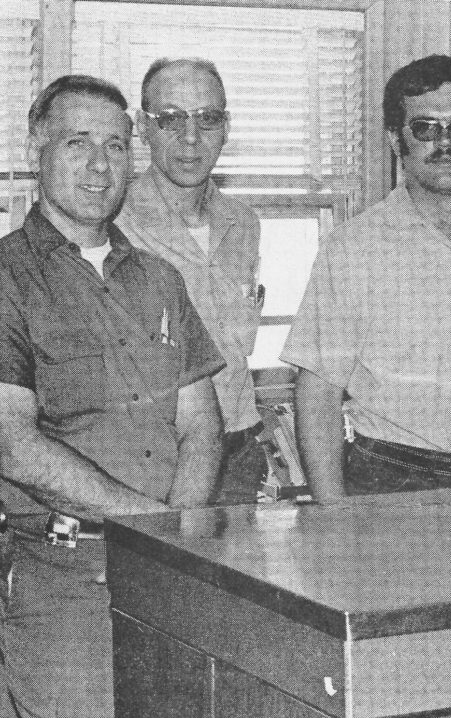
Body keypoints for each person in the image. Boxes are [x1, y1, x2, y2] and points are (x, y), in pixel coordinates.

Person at [0, 75, 224, 718]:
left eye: (116, 146)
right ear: (37, 150)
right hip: (62, 574)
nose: (100, 166)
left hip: (169, 569)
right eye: (78, 143)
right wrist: (153, 527)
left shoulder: (159, 277)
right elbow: (14, 446)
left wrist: (174, 540)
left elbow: (202, 424)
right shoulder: (7, 277)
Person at [281, 55, 451, 498]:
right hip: (393, 478)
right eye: (425, 128)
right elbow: (319, 393)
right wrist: (332, 514)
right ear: (396, 139)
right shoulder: (352, 247)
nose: (445, 143)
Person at [117, 58, 265, 505]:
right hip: (155, 461)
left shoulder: (243, 223)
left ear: (226, 126)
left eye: (207, 118)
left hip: (239, 454)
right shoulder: (113, 220)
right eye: (170, 119)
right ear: (142, 128)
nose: (190, 137)